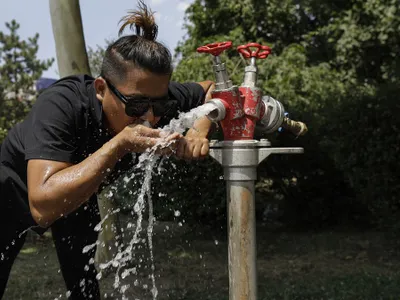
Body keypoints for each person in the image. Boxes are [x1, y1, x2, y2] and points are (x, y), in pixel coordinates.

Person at [0, 2, 214, 299]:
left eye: (160, 105)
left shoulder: (151, 97)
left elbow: (210, 90)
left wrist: (199, 129)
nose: (150, 117)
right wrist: (119, 144)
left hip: (80, 190)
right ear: (101, 88)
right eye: (137, 106)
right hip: (12, 190)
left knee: (85, 285)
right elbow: (42, 203)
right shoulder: (61, 104)